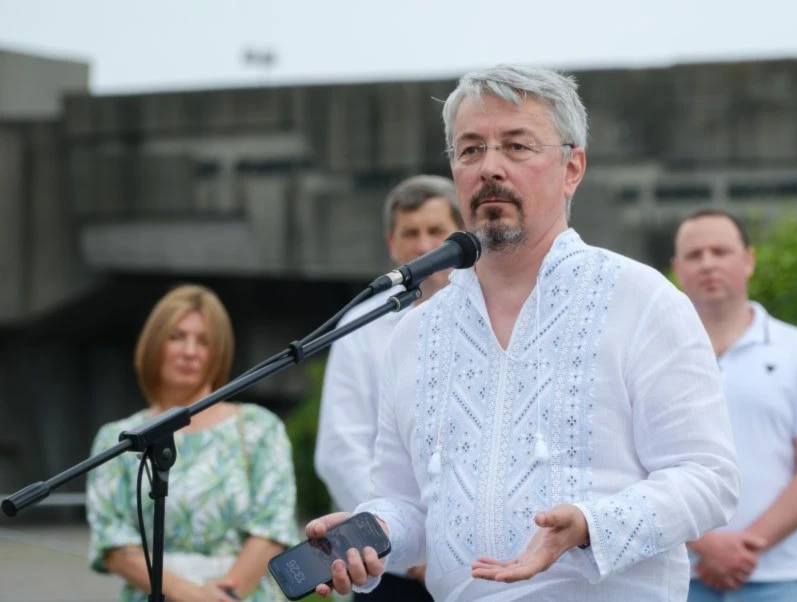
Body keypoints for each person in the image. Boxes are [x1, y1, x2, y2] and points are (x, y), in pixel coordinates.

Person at [304, 64, 740, 601]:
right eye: (470, 150)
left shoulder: (642, 300)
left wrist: (589, 524)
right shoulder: (415, 332)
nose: (490, 168)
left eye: (516, 147)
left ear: (571, 168)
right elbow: (408, 503)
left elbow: (708, 477)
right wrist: (368, 535)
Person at [671, 209, 797, 602]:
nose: (708, 263)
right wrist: (704, 544)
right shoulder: (651, 354)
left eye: (721, 251)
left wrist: (746, 546)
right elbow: (631, 463)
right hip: (675, 577)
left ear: (748, 259)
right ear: (677, 267)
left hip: (778, 577)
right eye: (695, 255)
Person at [87, 284, 298, 602]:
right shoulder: (118, 438)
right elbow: (113, 542)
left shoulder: (258, 428)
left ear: (219, 352)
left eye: (204, 341)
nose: (190, 351)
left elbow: (273, 526)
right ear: (154, 344)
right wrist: (188, 595)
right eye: (177, 337)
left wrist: (225, 594)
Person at [314, 174, 464, 601]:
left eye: (436, 231)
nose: (423, 245)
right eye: (410, 233)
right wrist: (402, 548)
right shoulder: (359, 328)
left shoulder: (491, 314)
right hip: (392, 570)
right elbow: (342, 449)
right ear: (391, 244)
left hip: (483, 564)